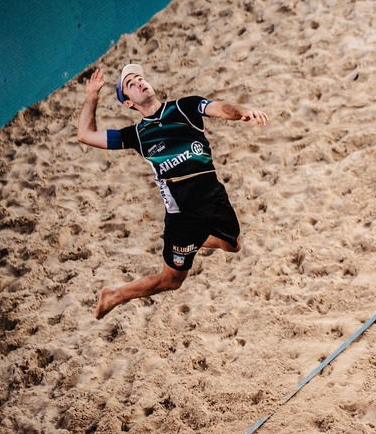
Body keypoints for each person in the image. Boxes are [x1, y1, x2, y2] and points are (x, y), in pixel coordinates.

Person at [77, 64, 268, 319]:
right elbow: (85, 135)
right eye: (131, 84)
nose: (140, 82)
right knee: (172, 281)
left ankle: (195, 241)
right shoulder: (136, 135)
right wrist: (92, 96)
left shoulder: (184, 108)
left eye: (140, 78)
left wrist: (243, 111)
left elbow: (220, 108)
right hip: (183, 217)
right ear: (128, 103)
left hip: (215, 198)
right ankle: (113, 295)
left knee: (233, 245)